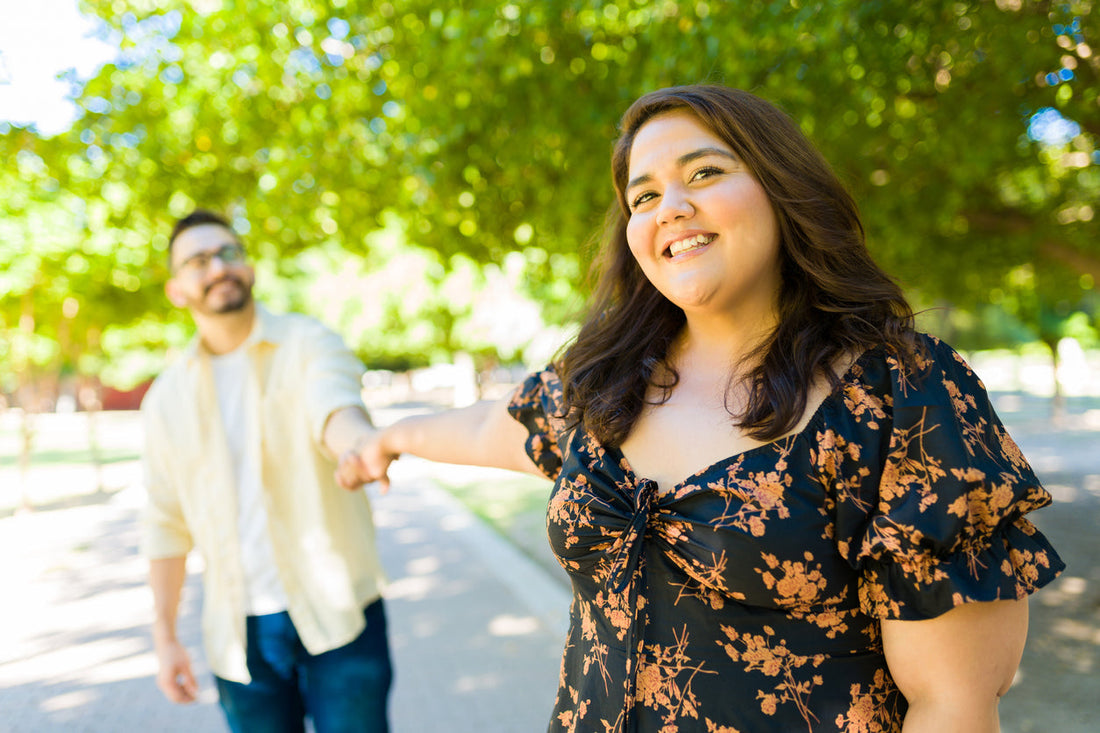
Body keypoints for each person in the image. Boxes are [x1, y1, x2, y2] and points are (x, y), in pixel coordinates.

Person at [337, 85, 1065, 732]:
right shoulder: (603, 380)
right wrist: (388, 438)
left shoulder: (901, 394)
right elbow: (487, 427)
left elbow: (956, 704)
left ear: (783, 189)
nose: (670, 207)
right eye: (643, 195)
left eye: (705, 172)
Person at [141, 209, 392, 733]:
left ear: (249, 266)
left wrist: (357, 445)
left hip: (341, 612)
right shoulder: (165, 399)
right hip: (239, 636)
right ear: (176, 288)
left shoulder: (307, 341)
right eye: (199, 260)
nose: (218, 267)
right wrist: (165, 637)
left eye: (229, 252)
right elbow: (165, 524)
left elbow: (334, 406)